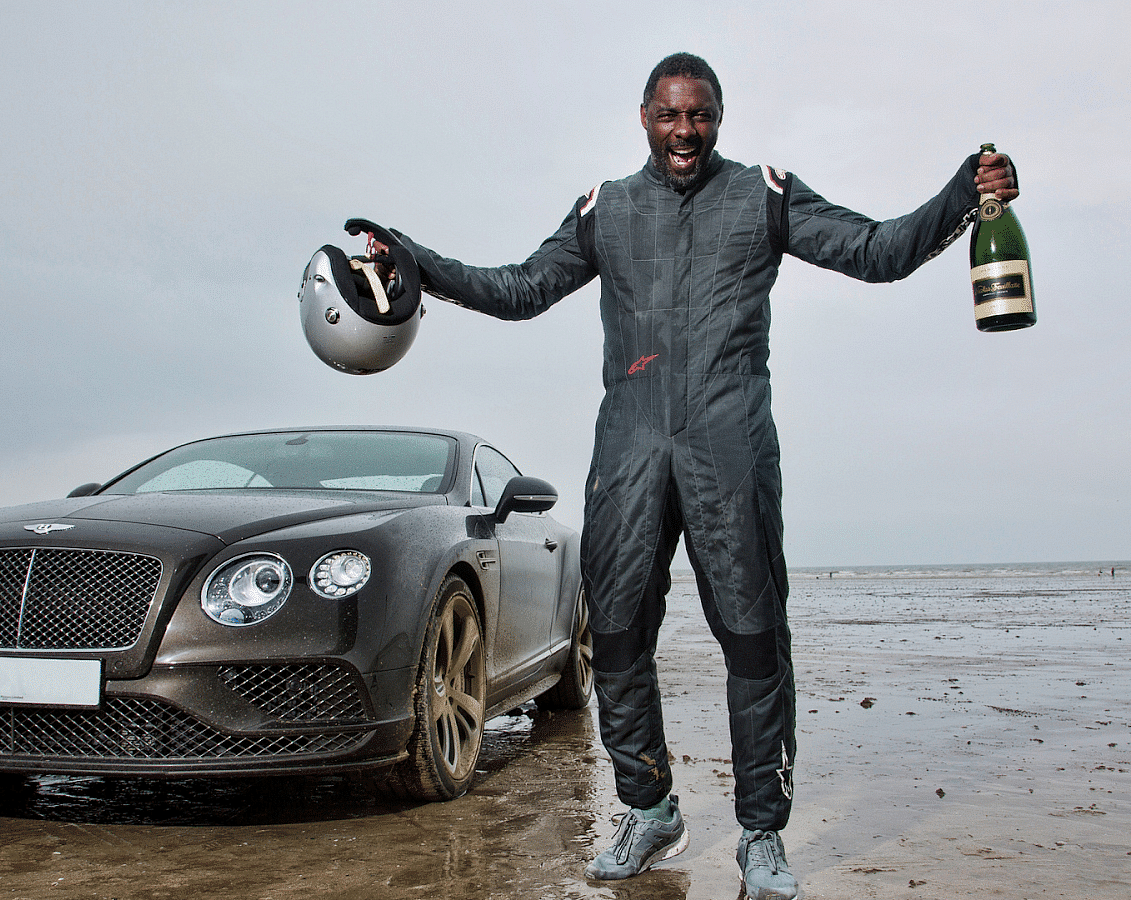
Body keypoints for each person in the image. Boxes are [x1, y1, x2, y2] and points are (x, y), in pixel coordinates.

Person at [352, 52, 1019, 900]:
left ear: (719, 117)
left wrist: (966, 192)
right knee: (619, 629)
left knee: (751, 634)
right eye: (670, 115)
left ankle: (762, 835)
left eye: (699, 115)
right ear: (643, 118)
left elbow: (875, 251)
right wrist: (416, 259)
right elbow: (519, 288)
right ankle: (650, 808)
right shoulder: (605, 208)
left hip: (729, 441)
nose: (685, 132)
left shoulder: (765, 196)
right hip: (630, 442)